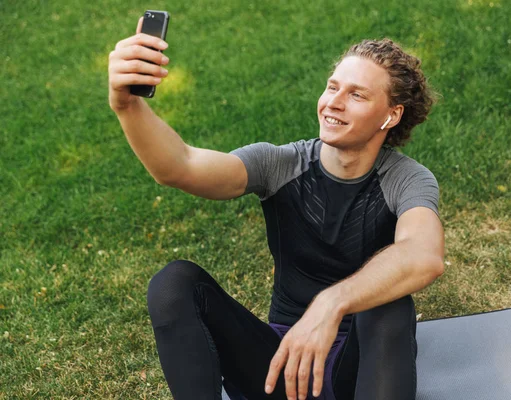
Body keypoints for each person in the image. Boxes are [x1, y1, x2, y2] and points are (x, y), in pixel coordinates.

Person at [108, 16, 444, 400]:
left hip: (362, 372)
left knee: (389, 306)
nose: (333, 102)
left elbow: (423, 255)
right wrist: (126, 104)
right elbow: (179, 166)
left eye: (357, 95)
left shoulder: (406, 178)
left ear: (391, 114)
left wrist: (331, 305)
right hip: (280, 370)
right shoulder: (280, 164)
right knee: (174, 283)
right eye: (332, 86)